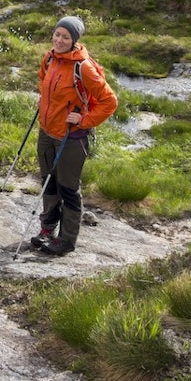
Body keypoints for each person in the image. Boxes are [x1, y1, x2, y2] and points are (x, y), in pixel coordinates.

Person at [31, 15, 118, 256]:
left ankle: (67, 239)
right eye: (57, 34)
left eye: (65, 37)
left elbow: (109, 101)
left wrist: (85, 120)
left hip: (72, 137)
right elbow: (43, 80)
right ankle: (47, 229)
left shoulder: (84, 67)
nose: (59, 40)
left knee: (68, 188)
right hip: (47, 132)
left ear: (74, 40)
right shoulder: (49, 58)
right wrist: (44, 97)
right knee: (48, 183)